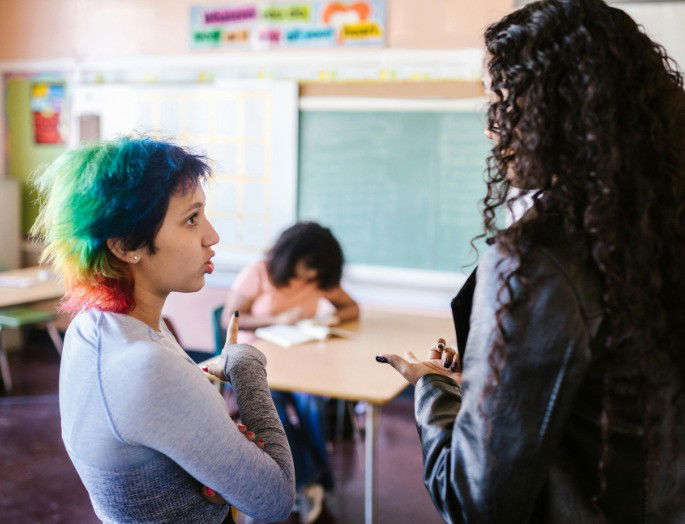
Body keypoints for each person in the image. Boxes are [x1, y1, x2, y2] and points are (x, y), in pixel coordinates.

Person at [378, 1, 685, 522]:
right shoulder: (657, 225)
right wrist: (485, 375)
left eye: (500, 103)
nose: (490, 130)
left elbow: (476, 501)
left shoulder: (537, 259)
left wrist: (435, 389)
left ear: (554, 113)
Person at [32, 137, 295, 523]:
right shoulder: (147, 367)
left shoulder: (93, 327)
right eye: (191, 219)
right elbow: (275, 501)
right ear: (125, 245)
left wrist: (198, 393)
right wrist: (246, 365)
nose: (212, 235)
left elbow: (138, 421)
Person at [223, 221, 360, 523]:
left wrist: (331, 320)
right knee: (275, 414)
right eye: (307, 265)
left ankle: (306, 481)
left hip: (301, 358)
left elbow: (352, 308)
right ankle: (312, 481)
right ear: (291, 254)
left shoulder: (319, 277)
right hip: (255, 361)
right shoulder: (260, 271)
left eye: (318, 269)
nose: (311, 275)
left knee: (313, 405)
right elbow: (229, 319)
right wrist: (276, 318)